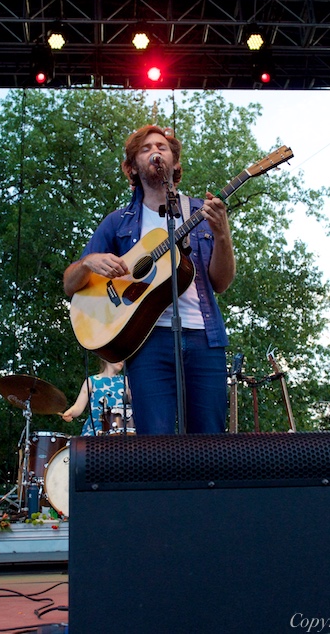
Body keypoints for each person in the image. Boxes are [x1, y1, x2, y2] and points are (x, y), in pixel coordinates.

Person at [62, 125, 235, 435]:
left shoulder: (199, 212)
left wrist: (223, 235)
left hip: (204, 338)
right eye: (146, 149)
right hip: (147, 341)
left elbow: (220, 283)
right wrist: (89, 263)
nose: (155, 151)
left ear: (176, 163)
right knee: (155, 444)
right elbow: (70, 284)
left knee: (210, 441)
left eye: (162, 147)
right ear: (132, 167)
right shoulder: (118, 222)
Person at [62, 359, 132, 435]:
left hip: (120, 430)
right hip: (95, 430)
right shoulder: (91, 381)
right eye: (118, 357)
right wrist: (71, 412)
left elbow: (135, 403)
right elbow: (78, 406)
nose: (121, 360)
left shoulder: (126, 381)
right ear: (106, 357)